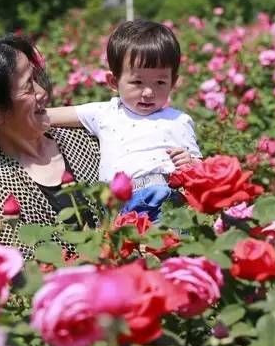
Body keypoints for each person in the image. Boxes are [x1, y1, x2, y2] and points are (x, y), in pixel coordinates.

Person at [0, 35, 100, 257]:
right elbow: (23, 270)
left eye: (36, 78)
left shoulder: (82, 140)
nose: (42, 92)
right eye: (28, 87)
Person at [48, 19, 201, 221]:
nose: (148, 92)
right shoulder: (105, 112)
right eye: (137, 82)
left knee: (167, 244)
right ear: (113, 81)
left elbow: (200, 169)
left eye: (160, 82)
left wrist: (189, 162)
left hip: (165, 200)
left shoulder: (179, 121)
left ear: (173, 82)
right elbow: (49, 115)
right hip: (118, 205)